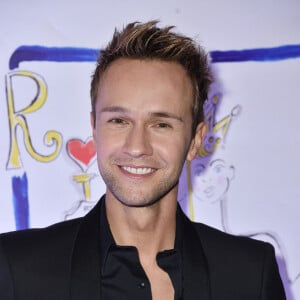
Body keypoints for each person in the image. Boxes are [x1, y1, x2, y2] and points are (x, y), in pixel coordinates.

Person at [0, 21, 286, 300]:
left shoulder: (250, 276)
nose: (136, 147)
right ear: (95, 128)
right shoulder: (18, 270)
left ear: (196, 140)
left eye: (161, 124)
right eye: (119, 120)